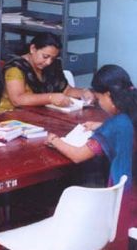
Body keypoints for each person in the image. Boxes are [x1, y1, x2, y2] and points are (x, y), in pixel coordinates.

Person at [46, 64, 136, 248]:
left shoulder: (116, 124)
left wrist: (55, 140)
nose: (98, 104)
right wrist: (101, 125)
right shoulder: (130, 113)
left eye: (98, 98)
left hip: (124, 199)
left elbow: (78, 155)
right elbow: (124, 127)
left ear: (109, 96)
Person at [0, 32, 94, 114]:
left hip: (37, 115)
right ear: (33, 49)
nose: (48, 62)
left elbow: (66, 90)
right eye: (45, 56)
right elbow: (17, 100)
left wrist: (83, 92)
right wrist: (51, 98)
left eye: (53, 58)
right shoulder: (16, 68)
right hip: (10, 117)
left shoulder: (51, 66)